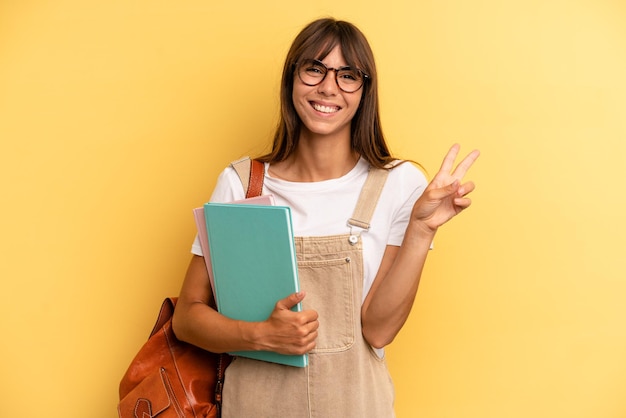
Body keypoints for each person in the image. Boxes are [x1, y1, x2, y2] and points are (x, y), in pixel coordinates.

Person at [172, 17, 479, 418]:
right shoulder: (243, 184)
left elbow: (379, 330)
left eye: (348, 75)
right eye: (314, 68)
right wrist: (261, 335)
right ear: (292, 79)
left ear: (364, 91)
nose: (328, 87)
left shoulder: (398, 184)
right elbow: (187, 319)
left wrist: (421, 230)